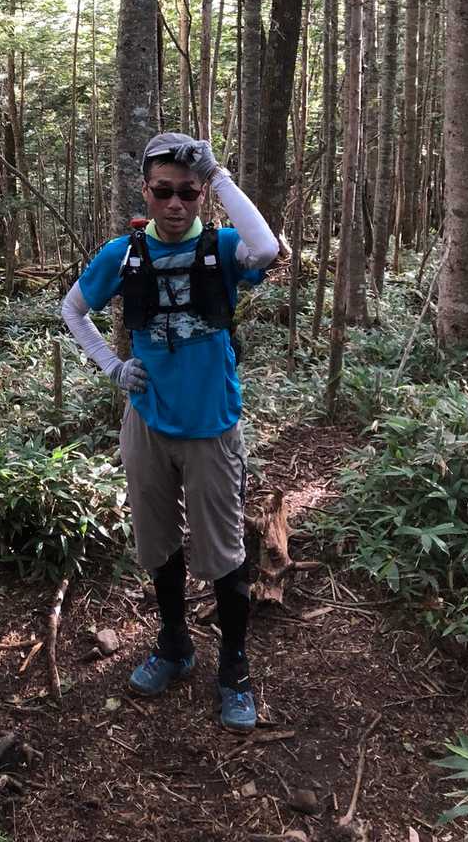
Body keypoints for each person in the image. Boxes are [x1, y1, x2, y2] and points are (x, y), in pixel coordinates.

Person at [61, 131, 278, 732]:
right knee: (157, 542)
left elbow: (268, 247)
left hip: (212, 425)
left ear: (201, 194)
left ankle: (234, 670)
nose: (176, 204)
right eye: (164, 192)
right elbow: (72, 309)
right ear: (146, 192)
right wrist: (112, 366)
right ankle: (174, 644)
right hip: (148, 422)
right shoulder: (122, 254)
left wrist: (220, 175)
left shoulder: (225, 247)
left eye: (188, 192)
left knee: (224, 552)